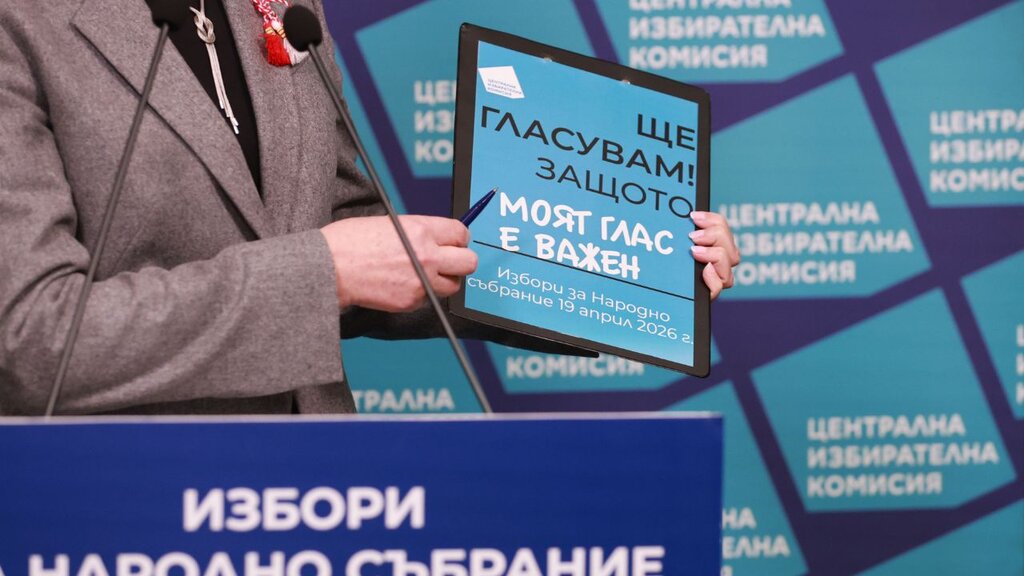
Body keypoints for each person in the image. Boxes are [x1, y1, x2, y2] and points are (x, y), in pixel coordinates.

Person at [0, 0, 739, 416]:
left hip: (324, 500)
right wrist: (321, 273)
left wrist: (621, 278)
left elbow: (361, 249)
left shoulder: (282, 7)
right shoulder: (20, 20)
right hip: (123, 505)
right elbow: (31, 339)